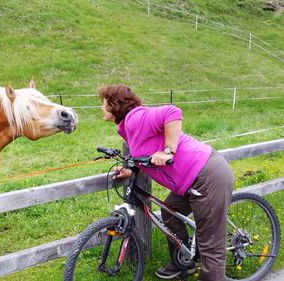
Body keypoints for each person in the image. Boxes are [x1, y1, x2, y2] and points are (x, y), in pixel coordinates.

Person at [99, 85, 233, 281]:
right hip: (190, 181)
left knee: (210, 249)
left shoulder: (136, 118)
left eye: (103, 103)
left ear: (114, 104)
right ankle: (182, 264)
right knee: (170, 214)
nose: (101, 108)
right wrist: (131, 169)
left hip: (207, 176)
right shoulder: (127, 127)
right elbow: (145, 150)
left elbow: (172, 112)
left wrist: (168, 151)